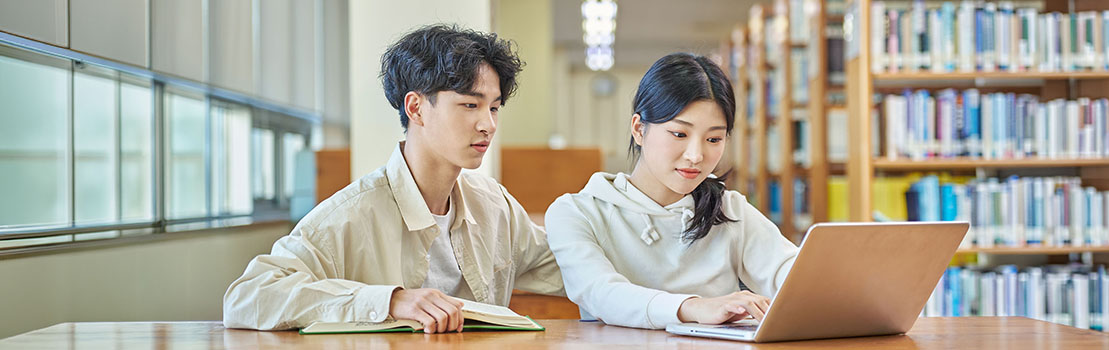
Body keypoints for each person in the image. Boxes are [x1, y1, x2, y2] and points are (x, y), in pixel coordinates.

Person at [223, 24, 563, 333]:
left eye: (494, 107)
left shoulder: (495, 205)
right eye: (470, 106)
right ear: (415, 109)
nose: (488, 124)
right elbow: (248, 297)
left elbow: (571, 266)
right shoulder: (351, 214)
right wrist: (390, 301)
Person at [544, 52, 799, 330]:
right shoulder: (576, 212)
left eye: (713, 139)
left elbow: (793, 274)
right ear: (639, 129)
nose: (696, 155)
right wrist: (692, 307)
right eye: (679, 134)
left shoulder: (728, 208)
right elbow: (601, 293)